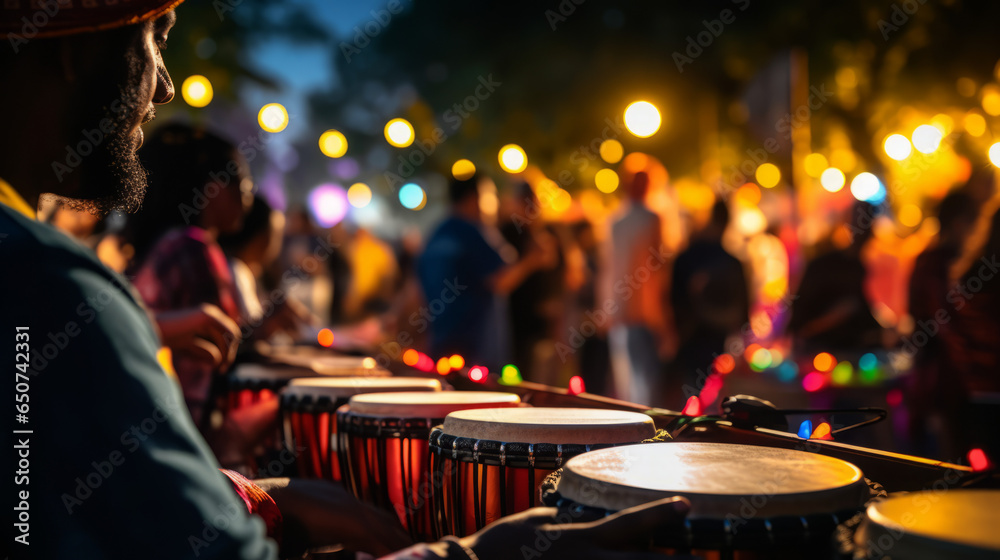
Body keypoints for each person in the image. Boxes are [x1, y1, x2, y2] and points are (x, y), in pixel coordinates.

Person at [0, 3, 688, 559]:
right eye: (155, 36)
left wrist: (255, 498)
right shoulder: (49, 285)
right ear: (71, 45)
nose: (166, 84)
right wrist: (470, 554)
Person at [417, 174, 553, 368]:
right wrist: (532, 261)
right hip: (477, 347)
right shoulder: (475, 233)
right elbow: (499, 281)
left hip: (440, 341)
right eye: (491, 196)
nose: (495, 203)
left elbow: (415, 289)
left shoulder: (437, 233)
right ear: (474, 198)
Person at [906, 191, 977, 456]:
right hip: (947, 377)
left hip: (931, 375)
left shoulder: (925, 260)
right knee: (956, 454)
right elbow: (942, 321)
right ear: (960, 223)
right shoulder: (945, 263)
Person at [600, 171, 671, 404]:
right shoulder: (650, 219)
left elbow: (608, 268)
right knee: (644, 380)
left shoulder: (615, 220)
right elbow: (658, 269)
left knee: (628, 381)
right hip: (642, 312)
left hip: (622, 310)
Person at [670, 200, 749, 404]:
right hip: (719, 335)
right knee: (717, 391)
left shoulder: (686, 257)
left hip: (690, 333)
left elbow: (674, 298)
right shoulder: (732, 261)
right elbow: (743, 305)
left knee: (690, 394)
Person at [786, 201, 885, 354]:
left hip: (858, 353)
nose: (865, 232)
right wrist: (835, 315)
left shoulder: (864, 267)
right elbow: (800, 323)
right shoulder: (823, 266)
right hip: (822, 353)